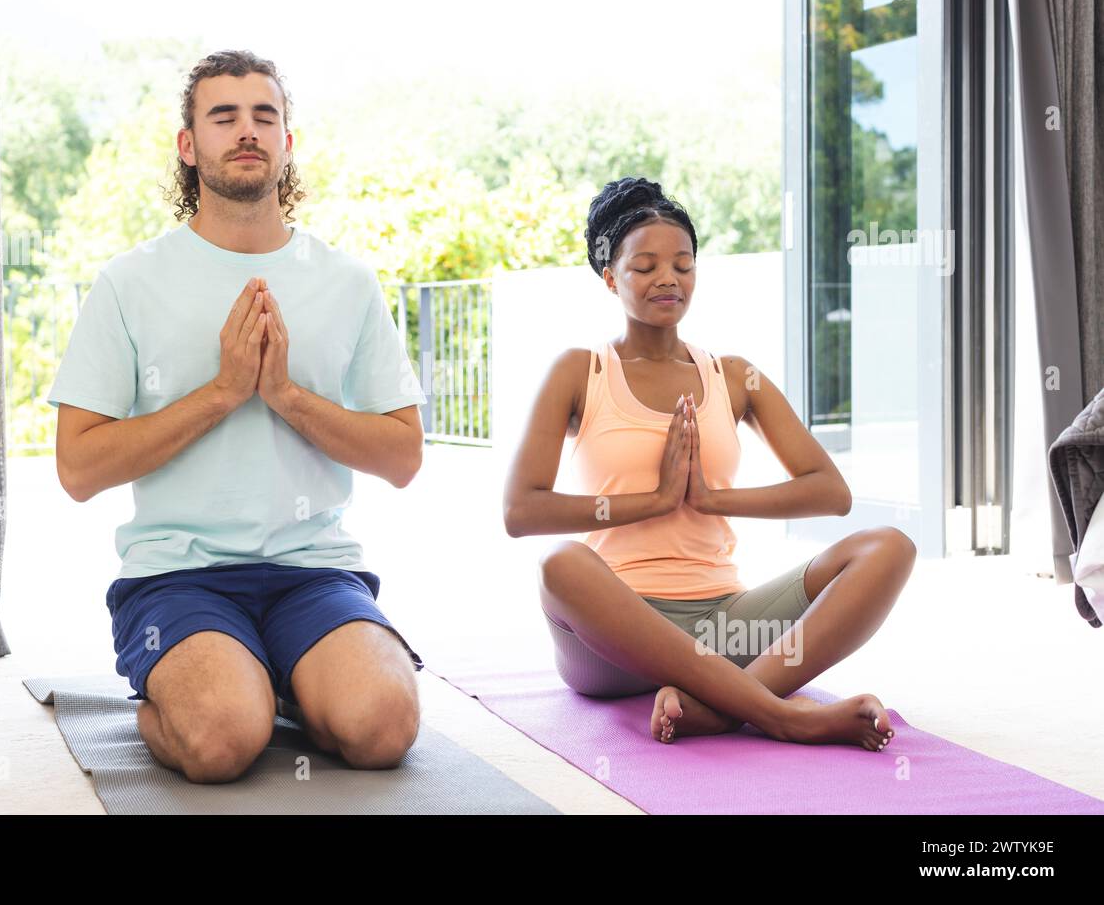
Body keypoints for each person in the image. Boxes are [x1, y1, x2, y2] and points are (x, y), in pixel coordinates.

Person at [47, 50, 428, 783]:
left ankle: (285, 674)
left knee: (384, 726)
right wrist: (222, 392)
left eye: (265, 116)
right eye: (224, 116)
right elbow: (77, 468)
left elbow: (404, 456)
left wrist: (286, 396)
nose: (247, 131)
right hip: (178, 576)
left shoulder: (348, 282)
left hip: (313, 573)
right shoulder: (129, 282)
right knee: (223, 738)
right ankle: (213, 686)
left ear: (288, 143)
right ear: (189, 147)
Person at [501, 176, 916, 751]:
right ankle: (784, 717)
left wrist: (714, 499)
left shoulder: (733, 374)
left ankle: (718, 709)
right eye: (644, 266)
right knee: (559, 563)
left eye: (683, 263)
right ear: (609, 277)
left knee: (888, 546)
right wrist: (653, 501)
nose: (668, 278)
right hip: (614, 639)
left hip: (726, 623)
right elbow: (521, 511)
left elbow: (830, 492)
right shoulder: (579, 371)